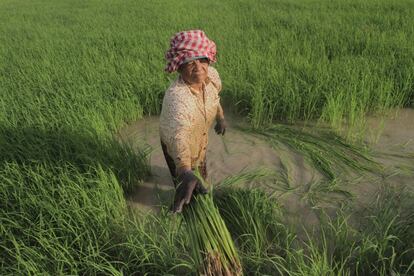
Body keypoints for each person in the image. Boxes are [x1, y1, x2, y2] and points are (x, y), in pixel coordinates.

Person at [159, 30, 226, 213]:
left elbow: (215, 98)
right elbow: (178, 135)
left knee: (201, 170)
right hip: (174, 143)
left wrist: (220, 118)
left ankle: (199, 186)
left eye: (202, 60)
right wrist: (184, 170)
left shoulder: (212, 77)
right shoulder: (177, 98)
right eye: (190, 62)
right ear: (179, 67)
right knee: (184, 180)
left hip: (200, 139)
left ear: (209, 61)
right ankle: (185, 201)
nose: (198, 67)